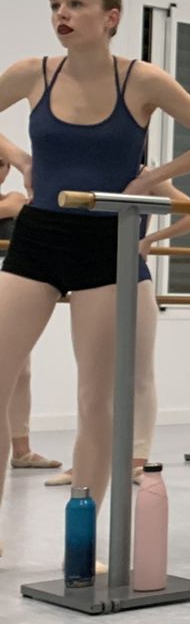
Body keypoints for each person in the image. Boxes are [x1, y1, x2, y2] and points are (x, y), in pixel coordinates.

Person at [0, 0, 190, 551]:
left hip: (106, 241)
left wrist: (156, 175)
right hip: (38, 236)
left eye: (76, 3)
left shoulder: (141, 80)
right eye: (56, 3)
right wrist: (21, 158)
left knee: (95, 397)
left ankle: (81, 533)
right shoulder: (33, 73)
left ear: (110, 18)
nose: (63, 12)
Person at [43, 178, 190, 489]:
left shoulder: (147, 176)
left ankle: (137, 459)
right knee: (91, 379)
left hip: (133, 278)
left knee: (139, 372)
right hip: (89, 277)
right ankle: (85, 461)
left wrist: (150, 240)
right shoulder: (84, 173)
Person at [0, 148, 58, 471]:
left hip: (9, 289)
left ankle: (21, 450)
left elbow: (17, 204)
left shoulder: (12, 198)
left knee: (21, 371)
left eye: (2, 164)